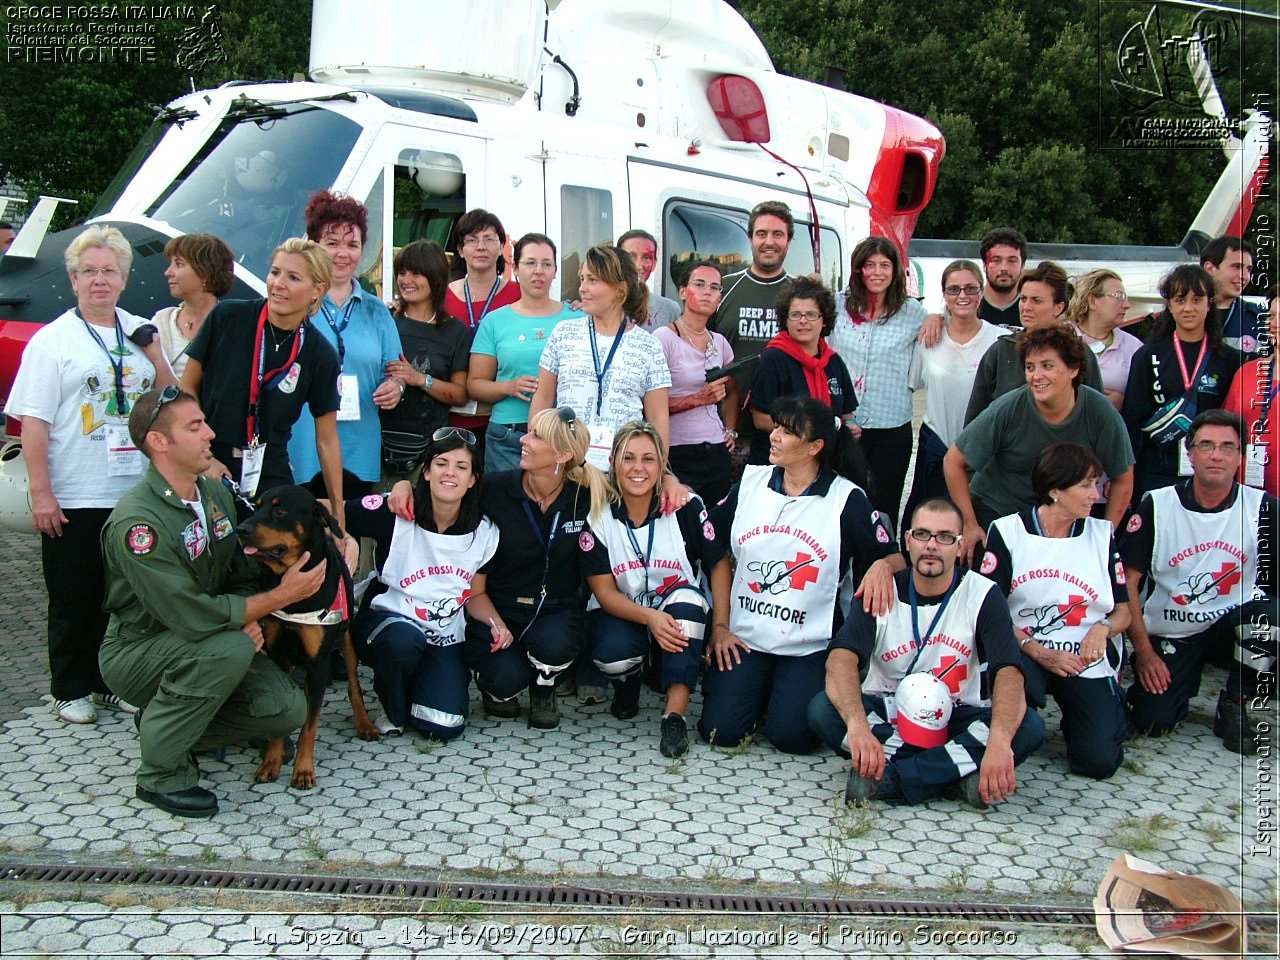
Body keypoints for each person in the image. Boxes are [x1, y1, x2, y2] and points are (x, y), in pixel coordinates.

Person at [98, 387, 316, 817]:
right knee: (232, 647)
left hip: (208, 640)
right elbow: (192, 615)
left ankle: (166, 722)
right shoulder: (139, 523)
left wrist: (318, 547)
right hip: (141, 649)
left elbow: (241, 571)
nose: (210, 434)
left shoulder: (212, 495)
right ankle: (162, 774)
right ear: (159, 442)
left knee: (286, 709)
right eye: (195, 427)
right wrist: (275, 600)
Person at [4, 225, 169, 725]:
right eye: (90, 272)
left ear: (124, 278)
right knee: (74, 594)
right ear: (73, 280)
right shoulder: (52, 342)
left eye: (110, 271)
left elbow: (171, 401)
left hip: (133, 492)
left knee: (125, 595)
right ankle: (70, 686)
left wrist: (157, 354)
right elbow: (34, 422)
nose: (100, 280)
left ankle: (110, 681)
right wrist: (41, 493)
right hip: (75, 490)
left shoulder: (141, 332)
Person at [807, 498, 1044, 807]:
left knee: (1028, 726)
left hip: (957, 713)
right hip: (891, 712)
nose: (932, 545)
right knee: (823, 710)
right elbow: (841, 660)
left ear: (960, 546)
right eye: (922, 534)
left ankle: (896, 778)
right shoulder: (883, 589)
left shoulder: (983, 594)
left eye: (945, 537)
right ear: (908, 540)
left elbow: (1008, 670)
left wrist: (999, 740)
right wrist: (858, 726)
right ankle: (956, 774)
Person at [389, 406, 613, 728]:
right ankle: (500, 691)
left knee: (555, 644)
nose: (524, 439)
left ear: (562, 454)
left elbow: (637, 491)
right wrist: (404, 487)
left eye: (536, 436)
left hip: (555, 610)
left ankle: (544, 685)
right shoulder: (493, 489)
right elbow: (446, 491)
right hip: (499, 606)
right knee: (503, 678)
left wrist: (674, 484)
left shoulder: (586, 497)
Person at [700, 397, 898, 754]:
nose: (774, 436)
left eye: (787, 432)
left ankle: (777, 696)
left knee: (792, 738)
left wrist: (884, 564)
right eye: (776, 426)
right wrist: (719, 625)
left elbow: (894, 556)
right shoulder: (751, 482)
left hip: (809, 642)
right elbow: (709, 540)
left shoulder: (845, 499)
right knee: (721, 731)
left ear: (815, 447)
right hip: (746, 635)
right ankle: (757, 691)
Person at [1120, 410, 1277, 755]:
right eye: (1206, 445)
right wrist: (1143, 652)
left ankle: (1236, 703)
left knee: (1271, 616)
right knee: (1152, 720)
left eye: (1227, 447)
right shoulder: (1157, 504)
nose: (1216, 455)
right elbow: (1128, 583)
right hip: (1175, 631)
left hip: (1233, 627)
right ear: (1189, 454)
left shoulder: (1263, 508)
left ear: (1241, 456)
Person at [981, 444, 1130, 779]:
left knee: (1099, 762)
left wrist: (1102, 628)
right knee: (1016, 729)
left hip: (1083, 658)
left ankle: (1092, 711)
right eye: (1087, 485)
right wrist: (1038, 651)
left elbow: (1124, 611)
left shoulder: (1101, 534)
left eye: (1096, 483)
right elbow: (987, 613)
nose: (1096, 494)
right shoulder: (1008, 532)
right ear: (1055, 491)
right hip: (1025, 651)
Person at [345, 428, 499, 740]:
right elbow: (328, 510)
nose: (450, 473)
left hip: (443, 636)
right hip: (389, 623)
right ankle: (390, 697)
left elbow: (476, 593)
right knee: (403, 644)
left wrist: (497, 624)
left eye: (461, 467)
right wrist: (343, 537)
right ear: (426, 471)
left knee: (443, 726)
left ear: (473, 479)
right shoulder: (396, 510)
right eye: (441, 463)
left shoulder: (484, 531)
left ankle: (421, 683)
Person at [180, 238, 345, 526]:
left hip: (268, 466)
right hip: (208, 456)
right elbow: (186, 388)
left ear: (317, 290)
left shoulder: (320, 354)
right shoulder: (228, 316)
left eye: (293, 277)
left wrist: (338, 512)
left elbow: (327, 439)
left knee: (275, 555)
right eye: (275, 272)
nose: (278, 283)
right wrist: (202, 456)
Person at [580, 422, 717, 756]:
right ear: (612, 462)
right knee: (614, 653)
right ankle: (627, 691)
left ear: (662, 465)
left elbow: (719, 563)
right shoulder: (598, 515)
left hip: (675, 610)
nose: (637, 468)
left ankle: (674, 717)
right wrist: (650, 618)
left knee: (688, 606)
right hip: (625, 611)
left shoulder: (685, 506)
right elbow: (605, 593)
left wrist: (722, 626)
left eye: (648, 459)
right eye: (628, 458)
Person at [946, 326, 1135, 565]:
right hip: (1001, 509)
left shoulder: (1099, 412)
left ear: (1073, 369)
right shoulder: (1009, 408)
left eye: (1047, 365)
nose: (1037, 376)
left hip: (1065, 517)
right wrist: (970, 524)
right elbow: (953, 461)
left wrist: (1105, 537)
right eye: (1030, 367)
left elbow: (1123, 478)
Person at [290, 190, 404, 499]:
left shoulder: (377, 311)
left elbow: (394, 372)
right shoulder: (294, 303)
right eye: (332, 243)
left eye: (352, 245)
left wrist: (396, 387)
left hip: (358, 447)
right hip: (302, 446)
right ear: (314, 245)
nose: (343, 254)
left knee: (349, 538)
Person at [529, 244, 671, 473]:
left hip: (622, 470)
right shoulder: (564, 333)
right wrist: (536, 450)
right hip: (565, 464)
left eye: (592, 280)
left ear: (620, 290)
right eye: (582, 278)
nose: (582, 288)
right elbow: (543, 398)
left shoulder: (649, 346)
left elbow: (657, 416)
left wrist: (660, 471)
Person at [828, 236, 928, 530]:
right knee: (841, 508)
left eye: (885, 265)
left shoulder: (913, 313)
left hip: (891, 429)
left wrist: (940, 318)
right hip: (845, 426)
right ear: (858, 269)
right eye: (869, 265)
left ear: (896, 270)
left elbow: (950, 324)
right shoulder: (836, 306)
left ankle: (880, 570)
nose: (877, 272)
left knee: (883, 511)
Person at [1122, 264, 1242, 499]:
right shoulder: (1149, 355)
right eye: (1180, 300)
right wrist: (1127, 477)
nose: (1189, 308)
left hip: (1212, 472)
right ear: (1169, 305)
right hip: (1156, 471)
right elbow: (1132, 421)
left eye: (1197, 300)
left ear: (1209, 305)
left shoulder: (1229, 359)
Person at [468, 232, 581, 473]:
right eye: (530, 263)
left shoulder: (577, 318)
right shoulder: (495, 321)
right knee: (507, 508)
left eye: (546, 264)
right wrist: (508, 387)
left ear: (555, 271)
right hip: (508, 435)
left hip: (563, 435)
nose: (538, 271)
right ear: (516, 269)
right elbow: (474, 385)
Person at [903, 260, 1002, 517]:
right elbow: (912, 387)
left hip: (979, 450)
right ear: (944, 294)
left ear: (981, 292)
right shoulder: (929, 339)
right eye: (954, 289)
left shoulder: (999, 341)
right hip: (936, 444)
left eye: (970, 289)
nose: (962, 296)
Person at [964, 261, 1104, 424]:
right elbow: (975, 420)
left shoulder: (1079, 353)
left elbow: (1096, 416)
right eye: (1023, 299)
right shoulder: (1000, 351)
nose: (1026, 307)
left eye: (1036, 300)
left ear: (1058, 307)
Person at [379, 239, 470, 481]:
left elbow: (460, 395)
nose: (406, 280)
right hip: (376, 446)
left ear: (436, 277)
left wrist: (419, 379)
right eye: (401, 272)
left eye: (416, 273)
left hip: (429, 452)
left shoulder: (455, 331)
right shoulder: (385, 319)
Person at [747, 276, 857, 466]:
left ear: (824, 321)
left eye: (811, 315)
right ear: (785, 320)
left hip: (825, 461)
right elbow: (761, 419)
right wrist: (812, 432)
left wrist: (850, 427)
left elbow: (846, 413)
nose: (803, 321)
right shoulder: (774, 358)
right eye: (796, 315)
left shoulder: (833, 361)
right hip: (777, 465)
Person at [655, 260, 738, 507]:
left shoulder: (720, 342)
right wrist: (698, 399)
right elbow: (649, 404)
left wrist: (730, 430)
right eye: (699, 284)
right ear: (682, 291)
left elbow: (732, 391)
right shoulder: (664, 338)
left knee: (713, 529)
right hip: (677, 451)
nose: (707, 292)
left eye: (715, 288)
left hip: (715, 451)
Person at [444, 209, 522, 446]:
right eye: (471, 240)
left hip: (501, 419)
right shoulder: (442, 297)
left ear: (501, 247)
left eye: (489, 239)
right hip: (449, 415)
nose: (481, 247)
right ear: (460, 249)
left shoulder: (519, 295)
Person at [151, 233, 236, 377]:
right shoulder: (161, 320)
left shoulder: (233, 326)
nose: (168, 272)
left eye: (178, 264)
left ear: (205, 272)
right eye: (170, 264)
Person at [1224, 285, 1280, 494]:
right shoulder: (1247, 373)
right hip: (1247, 495)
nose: (1274, 324)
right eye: (1271, 316)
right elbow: (1226, 429)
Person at [1066, 268, 1142, 411]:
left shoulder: (1134, 347)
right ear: (1092, 300)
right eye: (1118, 296)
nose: (1127, 305)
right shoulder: (1060, 338)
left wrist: (1126, 402)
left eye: (1125, 297)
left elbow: (1146, 397)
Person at [1200, 235, 1263, 356]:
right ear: (1209, 269)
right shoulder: (1183, 317)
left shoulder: (1262, 320)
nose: (1245, 276)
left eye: (1249, 269)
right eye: (1237, 267)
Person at [618, 228, 681, 329]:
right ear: (617, 260)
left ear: (654, 264)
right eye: (631, 256)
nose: (638, 266)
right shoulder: (600, 306)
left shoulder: (670, 310)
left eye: (646, 258)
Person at [977, 227, 1027, 327]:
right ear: (984, 265)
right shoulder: (969, 306)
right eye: (996, 260)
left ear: (1022, 266)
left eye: (1012, 261)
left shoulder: (1032, 308)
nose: (1004, 268)